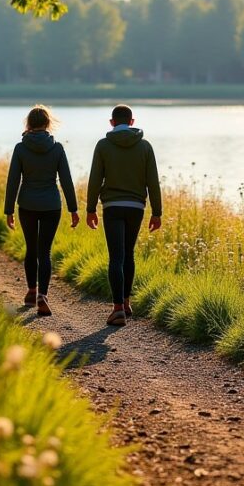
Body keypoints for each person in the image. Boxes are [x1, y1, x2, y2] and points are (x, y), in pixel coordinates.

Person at [86, 104, 162, 326]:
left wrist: (90, 209)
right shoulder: (145, 147)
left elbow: (94, 180)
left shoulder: (103, 145)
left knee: (116, 256)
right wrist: (157, 212)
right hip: (135, 208)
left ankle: (117, 308)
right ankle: (127, 303)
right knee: (128, 254)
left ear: (112, 122)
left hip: (112, 207)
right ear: (131, 122)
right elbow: (153, 183)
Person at [3, 105, 79, 317]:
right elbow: (66, 181)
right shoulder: (57, 149)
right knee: (44, 251)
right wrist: (74, 209)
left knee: (31, 248)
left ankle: (31, 291)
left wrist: (8, 210)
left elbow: (13, 181)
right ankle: (42, 296)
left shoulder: (20, 148)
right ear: (47, 123)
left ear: (29, 123)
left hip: (27, 204)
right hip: (51, 205)